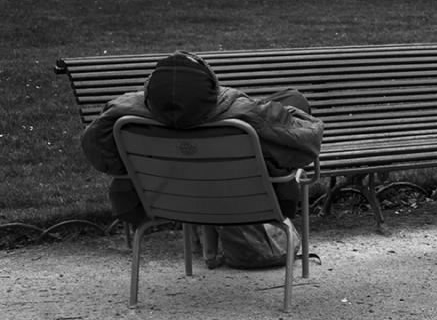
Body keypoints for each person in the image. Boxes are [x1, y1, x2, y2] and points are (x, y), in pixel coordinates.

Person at [80, 50, 325, 227]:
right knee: (294, 99)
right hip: (249, 204)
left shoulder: (124, 118)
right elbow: (306, 145)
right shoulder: (245, 116)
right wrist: (276, 110)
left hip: (162, 203)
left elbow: (98, 152)